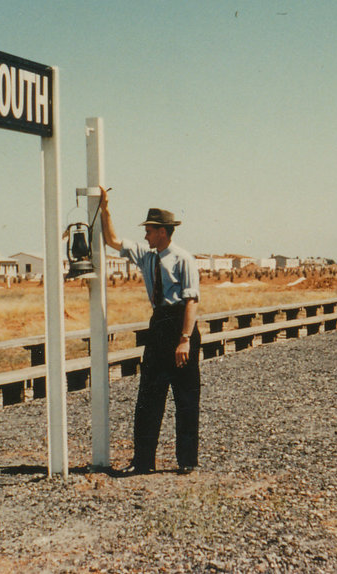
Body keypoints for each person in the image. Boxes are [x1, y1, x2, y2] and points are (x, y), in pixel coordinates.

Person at [98, 185, 201, 475]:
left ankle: (187, 460)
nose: (145, 235)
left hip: (180, 325)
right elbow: (112, 240)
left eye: (149, 231)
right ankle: (143, 461)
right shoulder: (147, 256)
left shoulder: (183, 259)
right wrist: (105, 208)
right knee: (148, 397)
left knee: (185, 397)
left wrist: (184, 340)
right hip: (158, 325)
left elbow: (192, 301)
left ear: (162, 232)